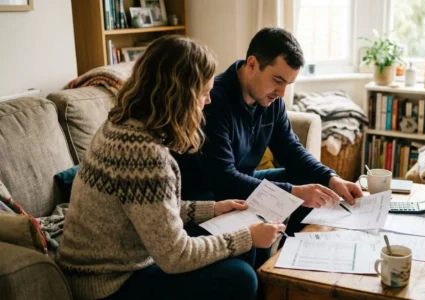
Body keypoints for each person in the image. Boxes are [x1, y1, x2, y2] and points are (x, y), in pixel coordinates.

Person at [57, 35, 285, 300]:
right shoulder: (145, 155)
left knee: (237, 241)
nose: (208, 101)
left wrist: (213, 208)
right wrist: (247, 236)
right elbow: (176, 256)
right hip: (109, 285)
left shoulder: (123, 125)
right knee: (242, 278)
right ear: (179, 96)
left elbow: (152, 208)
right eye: (203, 93)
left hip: (113, 266)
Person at [178, 27, 363, 239]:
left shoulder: (272, 102)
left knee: (312, 183)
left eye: (288, 83)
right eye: (277, 80)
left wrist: (332, 179)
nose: (282, 93)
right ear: (252, 65)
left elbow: (291, 151)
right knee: (299, 192)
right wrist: (294, 193)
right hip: (208, 194)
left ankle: (295, 250)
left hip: (244, 179)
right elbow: (224, 179)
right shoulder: (212, 101)